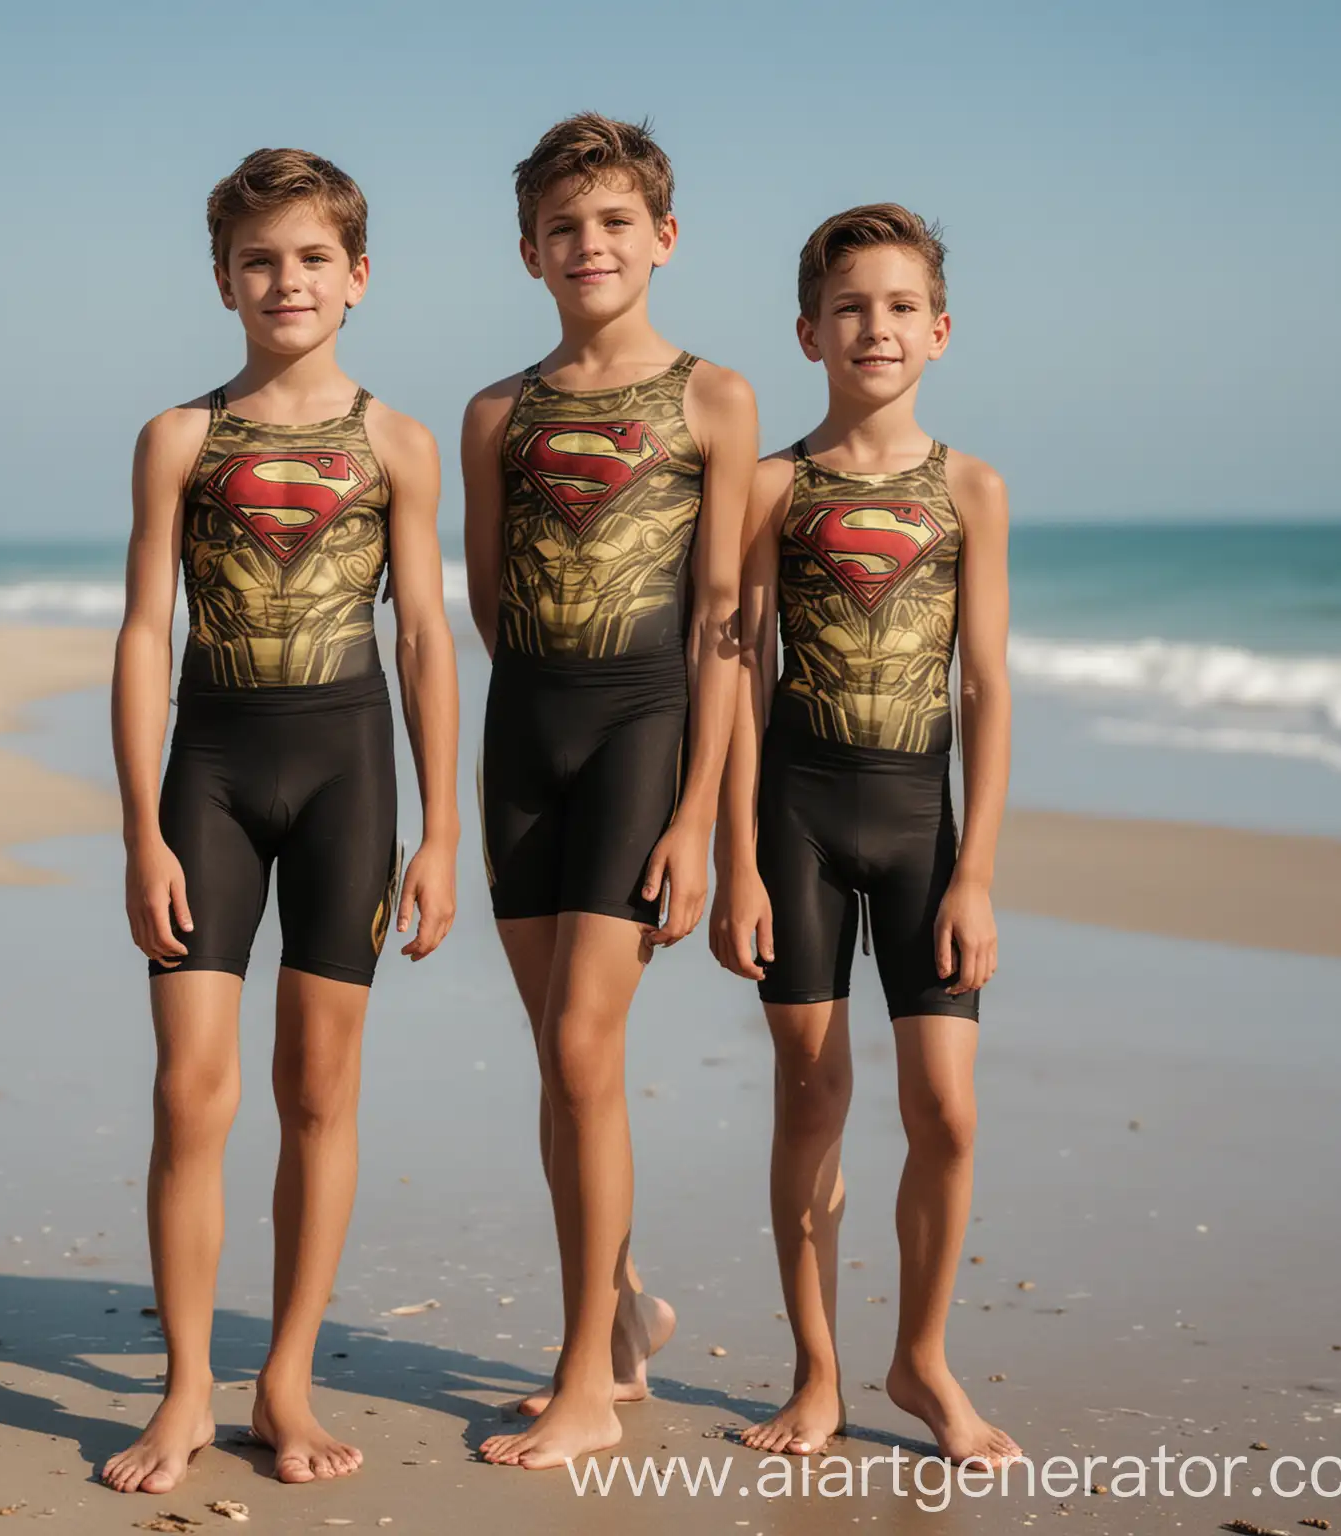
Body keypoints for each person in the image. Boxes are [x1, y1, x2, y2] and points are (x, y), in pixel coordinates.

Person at [104, 148, 459, 1494]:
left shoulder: (397, 443)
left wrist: (441, 833)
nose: (286, 281)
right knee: (190, 1091)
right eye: (261, 261)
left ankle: (287, 1379)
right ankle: (189, 1386)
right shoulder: (179, 439)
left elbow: (425, 638)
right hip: (208, 777)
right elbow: (147, 632)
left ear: (357, 278)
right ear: (223, 282)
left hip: (349, 779)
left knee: (319, 1090)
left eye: (312, 258)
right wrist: (140, 826)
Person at [462, 113, 757, 1470]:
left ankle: (588, 1376)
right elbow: (487, 597)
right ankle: (626, 1313)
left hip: (646, 730)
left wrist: (699, 816)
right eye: (566, 228)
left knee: (585, 1050)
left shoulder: (715, 399)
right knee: (563, 1063)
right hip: (525, 740)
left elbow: (724, 625)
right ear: (531, 251)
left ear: (664, 239)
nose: (592, 245)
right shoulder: (497, 413)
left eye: (616, 223)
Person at [710, 204, 1020, 1467]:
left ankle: (921, 1359)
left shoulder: (970, 489)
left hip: (920, 824)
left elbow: (987, 686)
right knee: (813, 1097)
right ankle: (819, 1370)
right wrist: (735, 856)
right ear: (807, 333)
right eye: (849, 308)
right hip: (794, 817)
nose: (873, 328)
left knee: (946, 1111)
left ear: (939, 332)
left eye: (898, 307)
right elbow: (738, 668)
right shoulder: (775, 487)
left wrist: (979, 872)